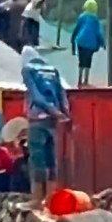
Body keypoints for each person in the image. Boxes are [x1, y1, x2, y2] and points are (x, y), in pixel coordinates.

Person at [21, 46, 70, 202]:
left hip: (37, 119)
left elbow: (36, 96)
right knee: (51, 160)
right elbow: (62, 94)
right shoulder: (52, 70)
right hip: (53, 122)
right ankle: (51, 201)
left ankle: (37, 202)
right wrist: (62, 113)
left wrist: (51, 110)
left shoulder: (28, 70)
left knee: (37, 161)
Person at [70, 0, 105, 85]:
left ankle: (79, 81)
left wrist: (73, 41)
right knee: (88, 61)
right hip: (91, 44)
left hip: (81, 41)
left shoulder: (81, 17)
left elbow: (76, 29)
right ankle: (86, 81)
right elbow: (98, 33)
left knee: (81, 61)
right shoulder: (95, 19)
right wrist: (102, 43)